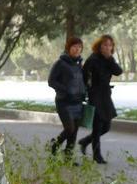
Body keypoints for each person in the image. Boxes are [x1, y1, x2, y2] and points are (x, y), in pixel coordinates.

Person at [78, 35, 123, 164]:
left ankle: (85, 141)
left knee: (107, 126)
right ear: (99, 46)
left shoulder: (109, 59)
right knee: (97, 126)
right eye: (104, 45)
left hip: (106, 95)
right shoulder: (93, 59)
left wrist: (109, 58)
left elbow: (118, 72)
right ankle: (97, 156)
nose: (107, 47)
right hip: (95, 94)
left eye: (110, 45)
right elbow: (84, 76)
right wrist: (87, 90)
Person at [47, 37, 86, 157]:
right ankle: (55, 145)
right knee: (69, 129)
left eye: (79, 47)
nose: (77, 49)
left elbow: (81, 81)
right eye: (74, 46)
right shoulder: (60, 63)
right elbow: (51, 81)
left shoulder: (79, 64)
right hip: (64, 102)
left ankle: (68, 157)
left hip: (78, 102)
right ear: (68, 48)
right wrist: (66, 90)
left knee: (74, 131)